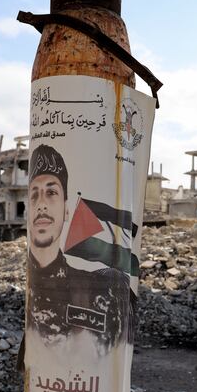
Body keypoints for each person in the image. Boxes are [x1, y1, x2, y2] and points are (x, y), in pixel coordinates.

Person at [25, 144, 135, 354]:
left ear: (66, 209)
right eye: (34, 195)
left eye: (51, 192)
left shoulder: (103, 291)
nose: (41, 205)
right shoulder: (31, 290)